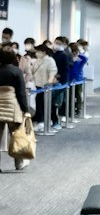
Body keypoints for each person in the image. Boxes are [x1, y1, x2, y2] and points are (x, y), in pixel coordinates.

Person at [0, 42, 32, 170]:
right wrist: (26, 110)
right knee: (17, 135)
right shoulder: (16, 71)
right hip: (12, 106)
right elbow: (21, 93)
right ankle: (19, 162)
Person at [31, 41, 58, 129]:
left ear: (44, 52)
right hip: (38, 85)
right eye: (36, 51)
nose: (37, 53)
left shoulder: (49, 60)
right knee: (39, 103)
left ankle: (51, 121)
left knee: (48, 104)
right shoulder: (37, 61)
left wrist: (49, 80)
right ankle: (41, 121)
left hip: (46, 86)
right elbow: (32, 71)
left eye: (39, 51)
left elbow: (53, 71)